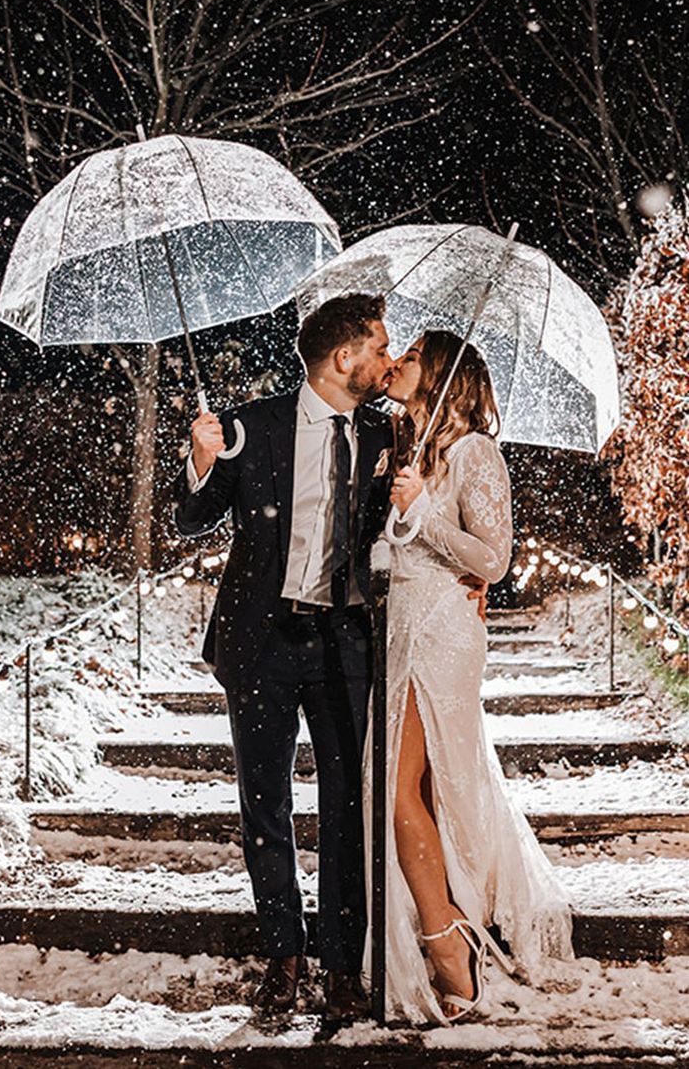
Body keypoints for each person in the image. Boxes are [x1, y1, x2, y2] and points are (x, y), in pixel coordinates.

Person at [173, 297, 487, 1021]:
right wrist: (200, 460)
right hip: (261, 643)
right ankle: (283, 953)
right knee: (266, 802)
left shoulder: (389, 433)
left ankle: (343, 962)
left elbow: (433, 509)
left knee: (351, 806)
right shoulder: (254, 424)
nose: (387, 359)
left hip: (348, 643)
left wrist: (462, 576)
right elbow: (192, 519)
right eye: (378, 346)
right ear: (344, 358)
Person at [362, 330, 574, 1026]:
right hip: (400, 633)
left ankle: (448, 940)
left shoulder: (474, 452)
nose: (396, 364)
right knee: (414, 792)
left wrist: (423, 513)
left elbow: (495, 559)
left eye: (412, 357)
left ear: (442, 377)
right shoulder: (404, 449)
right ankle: (446, 928)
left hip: (444, 634)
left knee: (399, 794)